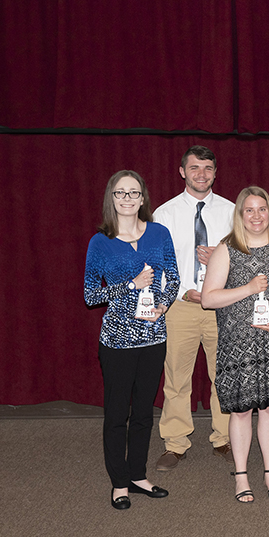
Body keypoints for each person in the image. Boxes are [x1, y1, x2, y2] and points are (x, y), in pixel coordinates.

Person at [201, 187, 269, 502]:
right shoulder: (228, 249)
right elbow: (209, 298)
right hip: (238, 342)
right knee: (240, 411)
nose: (256, 216)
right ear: (240, 214)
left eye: (261, 209)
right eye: (249, 210)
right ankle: (241, 476)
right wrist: (248, 288)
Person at [84, 170, 180, 510]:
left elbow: (173, 276)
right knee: (116, 413)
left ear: (143, 199)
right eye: (120, 193)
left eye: (133, 193)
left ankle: (138, 475)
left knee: (143, 412)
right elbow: (91, 294)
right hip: (118, 341)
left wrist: (165, 304)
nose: (127, 198)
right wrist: (130, 287)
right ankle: (119, 482)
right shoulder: (101, 241)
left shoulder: (159, 233)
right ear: (112, 198)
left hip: (154, 335)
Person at [153, 146, 235, 471]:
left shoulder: (232, 212)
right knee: (176, 378)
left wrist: (223, 257)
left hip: (222, 307)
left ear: (215, 173)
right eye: (195, 168)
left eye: (208, 168)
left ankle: (225, 438)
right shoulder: (164, 214)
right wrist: (175, 294)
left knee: (226, 376)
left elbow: (247, 260)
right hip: (180, 307)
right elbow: (155, 265)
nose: (201, 174)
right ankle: (175, 444)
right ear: (182, 171)